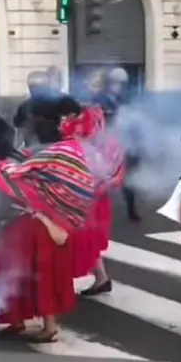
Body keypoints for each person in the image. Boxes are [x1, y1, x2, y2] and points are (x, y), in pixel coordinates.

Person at [0, 99, 95, 343]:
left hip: (25, 227)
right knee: (41, 274)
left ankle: (31, 323)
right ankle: (37, 322)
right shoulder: (26, 156)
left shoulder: (1, 168)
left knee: (10, 272)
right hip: (46, 221)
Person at [60, 98, 125, 297]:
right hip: (96, 191)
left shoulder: (80, 133)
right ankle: (101, 278)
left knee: (76, 236)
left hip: (86, 192)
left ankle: (61, 283)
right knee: (86, 237)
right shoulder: (103, 132)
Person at [93, 67, 142, 222]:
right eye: (117, 83)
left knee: (126, 178)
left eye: (121, 84)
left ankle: (131, 210)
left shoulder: (121, 99)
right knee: (101, 178)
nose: (119, 86)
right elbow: (98, 120)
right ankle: (96, 211)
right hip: (105, 143)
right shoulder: (101, 99)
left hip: (121, 142)